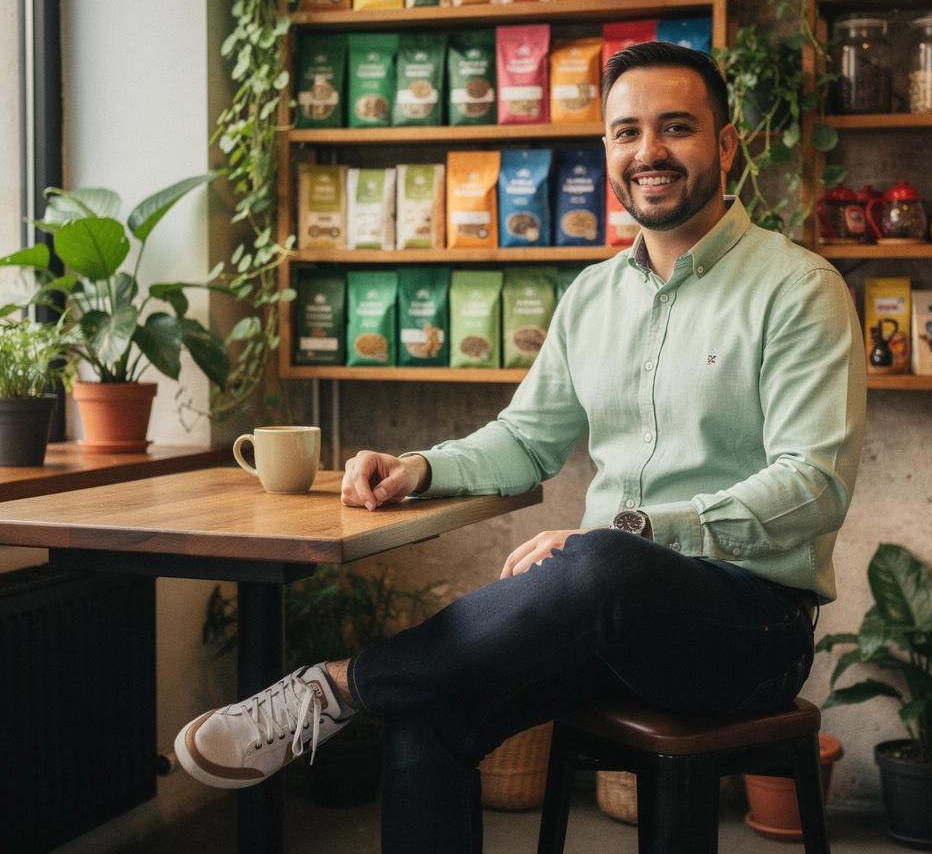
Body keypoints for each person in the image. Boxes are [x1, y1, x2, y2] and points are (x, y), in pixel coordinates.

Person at [175, 42, 866, 852]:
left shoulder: (799, 288)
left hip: (749, 630)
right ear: (606, 150)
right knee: (428, 709)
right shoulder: (592, 297)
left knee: (603, 558)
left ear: (726, 144)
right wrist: (420, 469)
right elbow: (526, 440)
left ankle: (338, 685)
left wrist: (637, 531)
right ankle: (368, 689)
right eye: (627, 132)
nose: (649, 151)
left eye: (676, 127)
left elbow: (815, 484)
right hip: (605, 618)